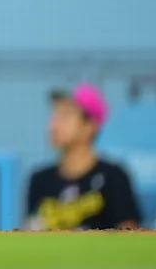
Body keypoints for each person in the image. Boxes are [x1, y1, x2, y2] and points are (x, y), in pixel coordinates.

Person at [27, 83, 140, 230]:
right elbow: (31, 233)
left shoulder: (113, 177)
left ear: (90, 126)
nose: (52, 125)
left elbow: (129, 235)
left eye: (65, 116)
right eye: (53, 115)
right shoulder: (40, 180)